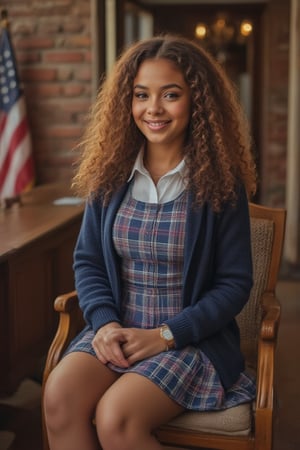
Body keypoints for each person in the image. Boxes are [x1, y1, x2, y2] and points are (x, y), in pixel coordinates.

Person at [43, 34, 257, 450]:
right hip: (117, 329)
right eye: (141, 95)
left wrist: (165, 335)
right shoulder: (110, 178)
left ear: (197, 102)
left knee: (116, 418)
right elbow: (88, 262)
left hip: (189, 340)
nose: (153, 109)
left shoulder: (220, 186)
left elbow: (234, 284)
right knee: (58, 397)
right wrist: (104, 323)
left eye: (171, 95)